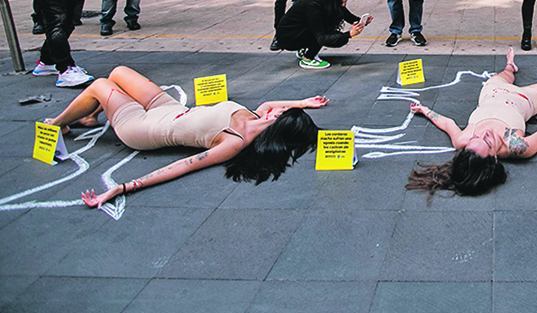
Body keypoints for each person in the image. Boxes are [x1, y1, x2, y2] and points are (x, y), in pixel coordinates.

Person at [43, 66, 328, 208]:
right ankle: (89, 116)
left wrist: (122, 188)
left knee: (101, 84)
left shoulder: (234, 142)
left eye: (279, 114)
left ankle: (57, 124)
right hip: (169, 108)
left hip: (143, 128)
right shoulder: (257, 115)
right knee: (118, 72)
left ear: (275, 127)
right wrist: (303, 102)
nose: (274, 110)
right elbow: (269, 106)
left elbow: (183, 166)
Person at [406, 47, 537, 196]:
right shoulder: (517, 147)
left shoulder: (461, 140)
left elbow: (448, 123)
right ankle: (516, 74)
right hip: (523, 99)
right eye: (487, 141)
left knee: (507, 74)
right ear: (494, 158)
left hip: (492, 91)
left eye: (476, 138)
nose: (484, 133)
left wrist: (425, 110)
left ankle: (510, 65)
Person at [274, 0, 373, 70]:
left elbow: (347, 15)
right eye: (341, 3)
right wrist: (349, 34)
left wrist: (362, 22)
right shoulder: (314, 6)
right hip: (288, 37)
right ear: (333, 0)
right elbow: (321, 38)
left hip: (297, 31)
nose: (343, 5)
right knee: (327, 32)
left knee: (337, 36)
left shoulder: (330, 1)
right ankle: (308, 58)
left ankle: (303, 49)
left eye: (345, 2)